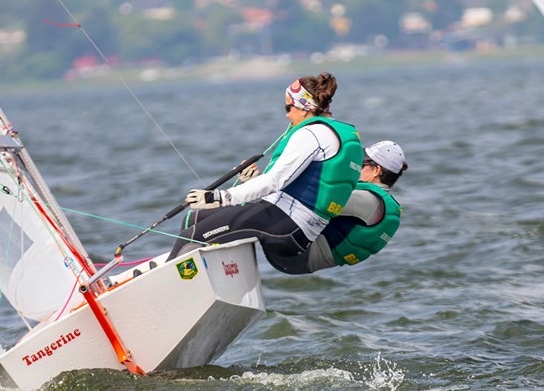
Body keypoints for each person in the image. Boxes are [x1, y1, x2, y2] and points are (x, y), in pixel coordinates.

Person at [166, 72, 363, 266]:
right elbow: (304, 183)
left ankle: (167, 281)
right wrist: (252, 180)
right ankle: (207, 273)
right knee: (194, 218)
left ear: (304, 109)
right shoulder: (337, 132)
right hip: (293, 224)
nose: (287, 115)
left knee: (191, 236)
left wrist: (218, 197)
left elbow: (274, 181)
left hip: (288, 225)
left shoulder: (312, 134)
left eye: (288, 107)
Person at [268, 140, 406, 275]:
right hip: (302, 262)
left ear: (377, 170)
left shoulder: (368, 200)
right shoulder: (383, 203)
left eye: (362, 164)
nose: (358, 167)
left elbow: (316, 201)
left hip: (294, 254)